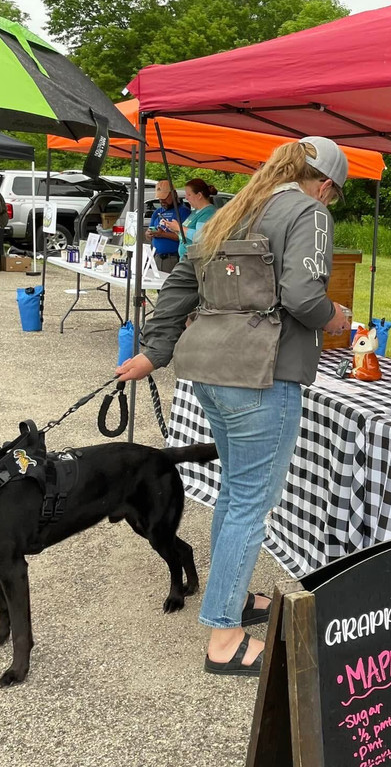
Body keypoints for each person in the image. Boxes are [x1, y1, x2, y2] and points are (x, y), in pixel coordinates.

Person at [116, 137, 351, 677]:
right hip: (260, 376)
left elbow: (180, 281)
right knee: (249, 502)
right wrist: (334, 315)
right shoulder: (309, 212)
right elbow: (303, 297)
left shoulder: (237, 207)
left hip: (207, 372)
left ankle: (233, 595)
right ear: (326, 184)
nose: (329, 203)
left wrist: (155, 351)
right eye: (333, 195)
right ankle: (224, 637)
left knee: (234, 494)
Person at [161, 178, 219, 260]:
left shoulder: (208, 212)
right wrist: (175, 229)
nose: (186, 198)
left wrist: (179, 227)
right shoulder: (195, 212)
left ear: (199, 195)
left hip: (196, 261)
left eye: (189, 194)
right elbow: (187, 235)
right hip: (187, 259)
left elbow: (200, 237)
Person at [146, 179, 191, 272]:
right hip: (156, 257)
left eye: (164, 197)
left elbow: (186, 237)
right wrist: (149, 234)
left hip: (173, 258)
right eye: (159, 198)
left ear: (174, 194)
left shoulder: (183, 212)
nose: (162, 201)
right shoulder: (157, 212)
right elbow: (148, 233)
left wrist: (163, 234)